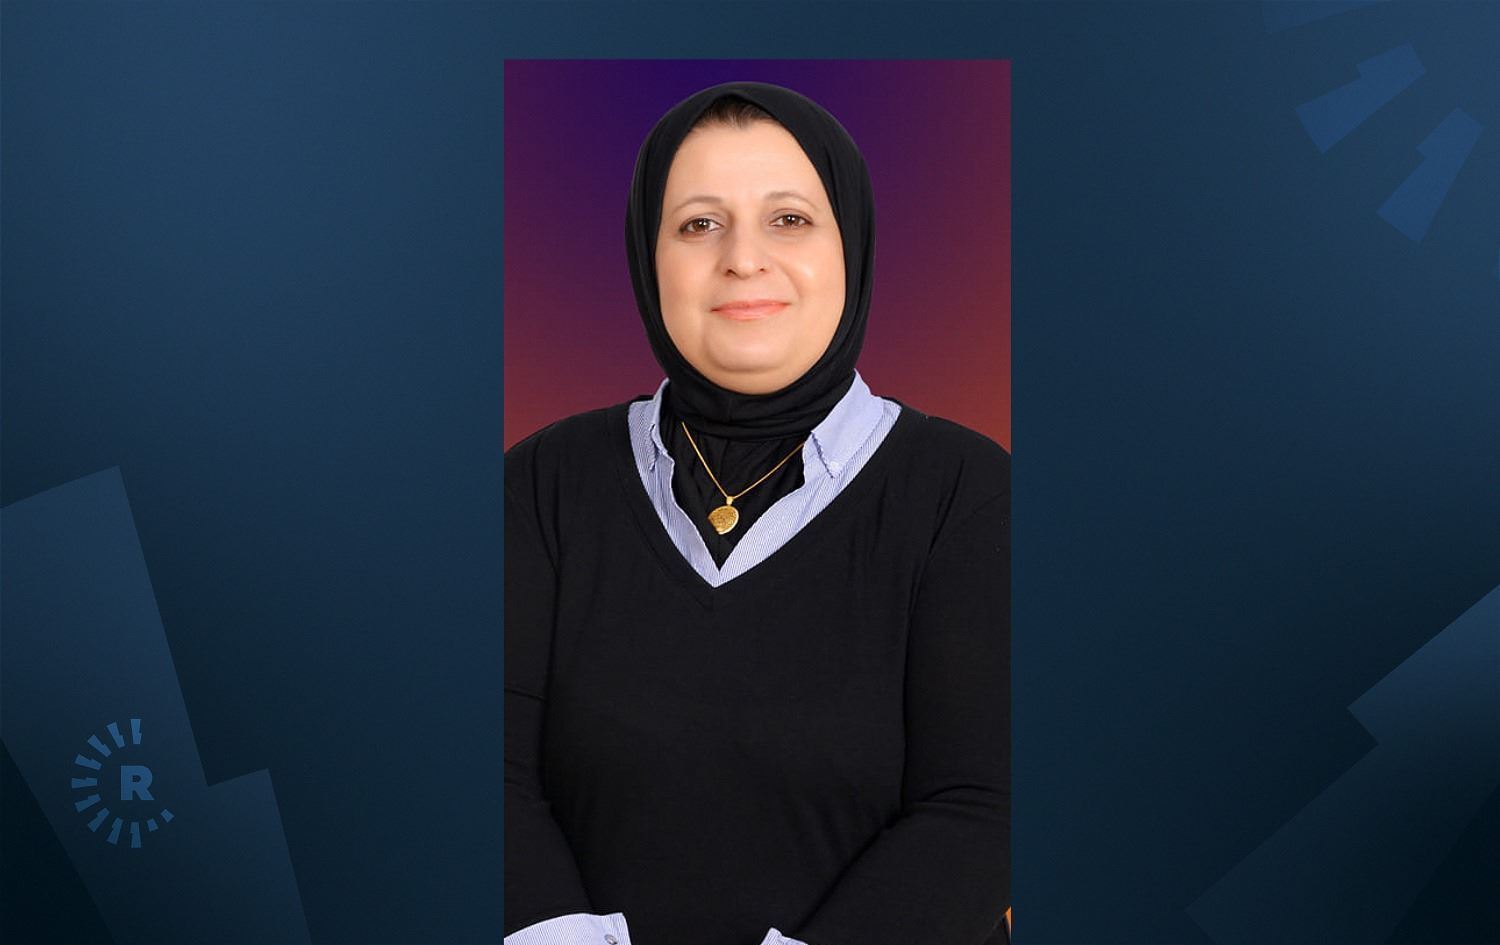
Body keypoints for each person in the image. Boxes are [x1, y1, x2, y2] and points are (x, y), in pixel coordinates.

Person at [504, 80, 1010, 945]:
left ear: (852, 245)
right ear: (647, 256)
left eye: (789, 219)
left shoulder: (970, 493)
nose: (743, 258)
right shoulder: (542, 481)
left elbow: (984, 804)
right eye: (699, 223)